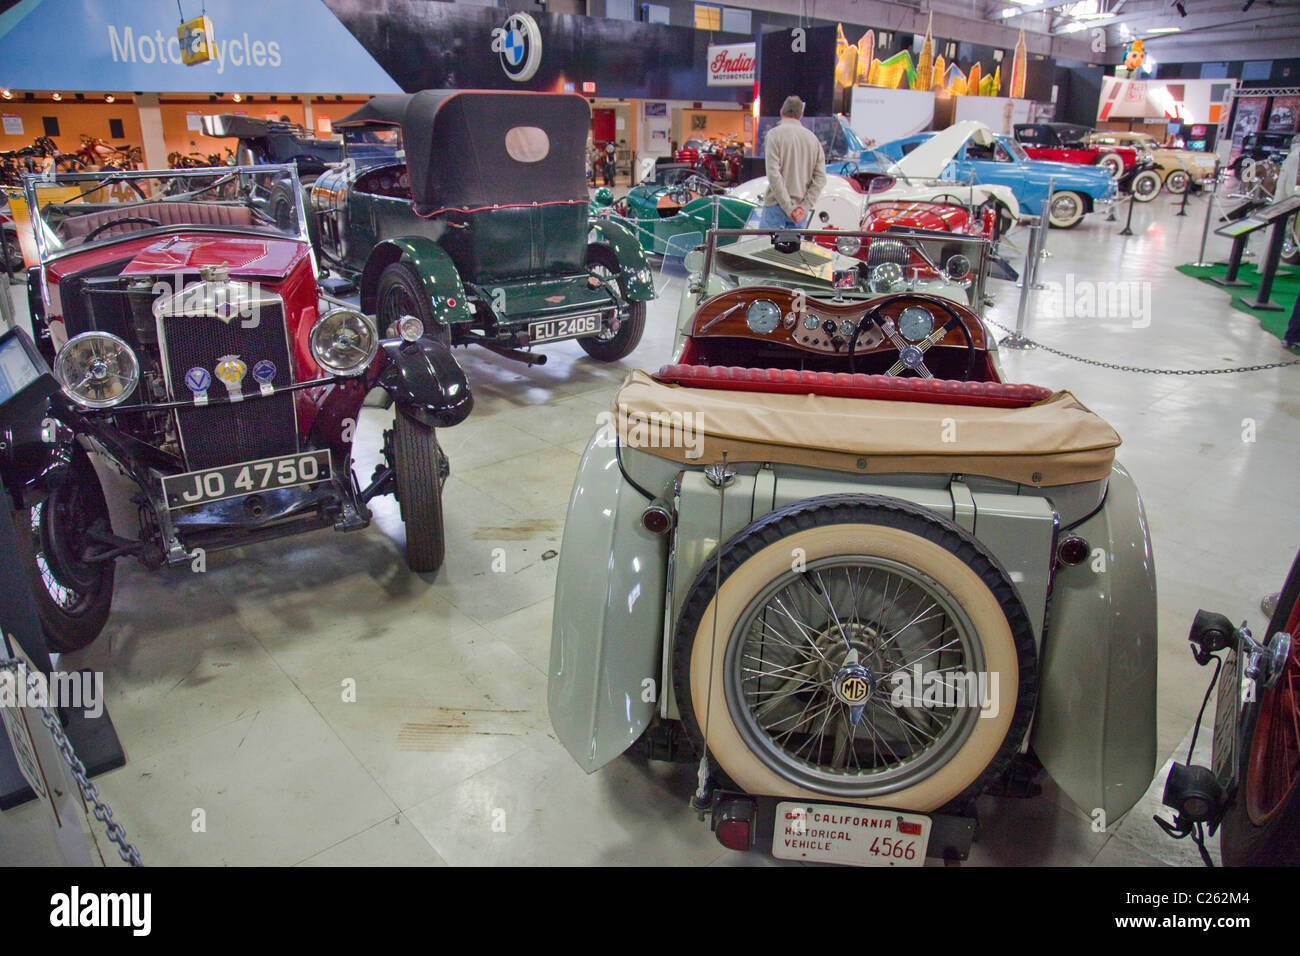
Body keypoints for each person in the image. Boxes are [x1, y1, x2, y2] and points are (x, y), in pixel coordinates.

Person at [752, 96, 826, 229]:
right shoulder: (813, 140)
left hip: (776, 208)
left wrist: (788, 207)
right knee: (795, 249)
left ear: (781, 111)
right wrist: (804, 207)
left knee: (765, 248)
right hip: (799, 213)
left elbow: (773, 174)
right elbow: (820, 179)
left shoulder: (774, 135)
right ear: (801, 115)